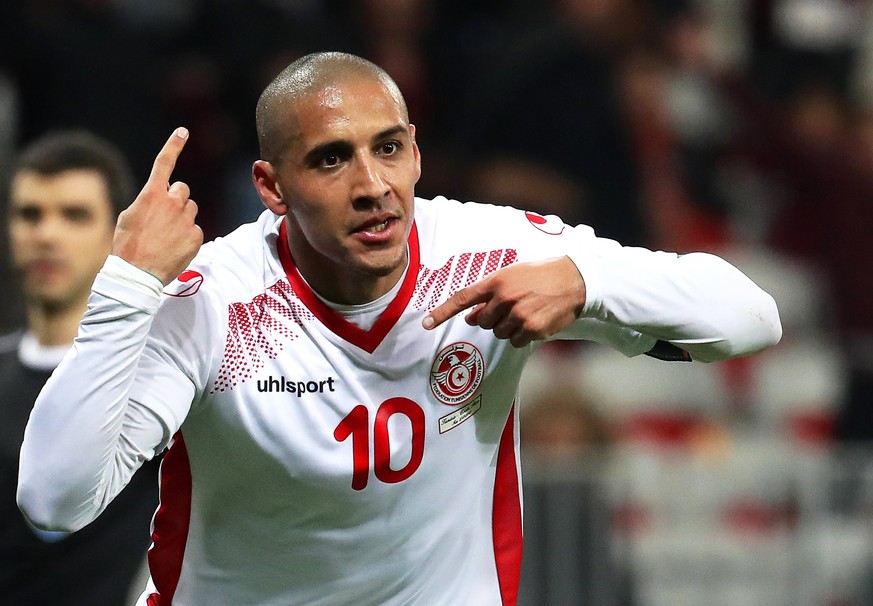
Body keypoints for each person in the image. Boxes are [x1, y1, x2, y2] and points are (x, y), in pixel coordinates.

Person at [17, 52, 782, 605]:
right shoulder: (215, 303)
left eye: (388, 149)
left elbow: (751, 317)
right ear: (270, 188)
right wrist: (126, 284)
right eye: (330, 160)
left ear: (416, 151)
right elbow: (54, 501)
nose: (371, 186)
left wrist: (589, 286)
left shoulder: (488, 251)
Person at [1, 131, 159, 604]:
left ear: (116, 232)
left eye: (74, 215)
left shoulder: (162, 379)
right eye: (30, 215)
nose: (46, 234)